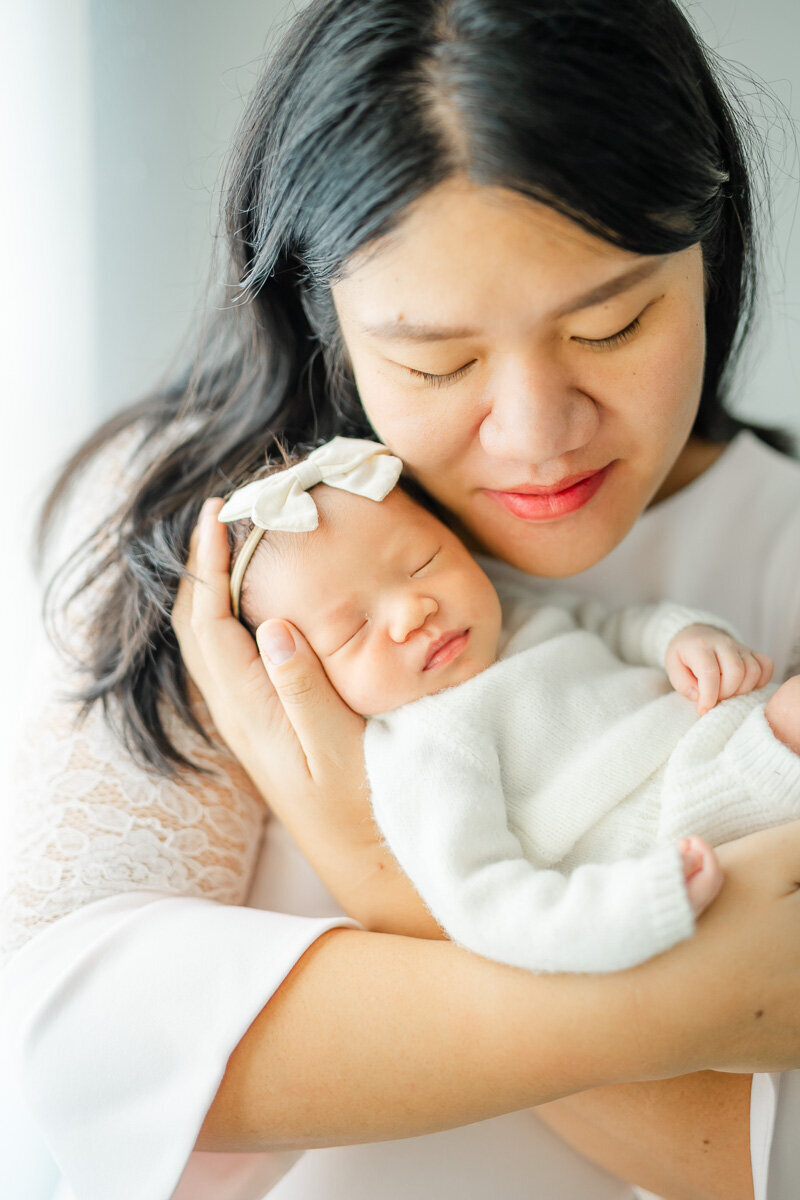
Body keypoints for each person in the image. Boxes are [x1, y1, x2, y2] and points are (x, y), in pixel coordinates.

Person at [2, 2, 800, 1199]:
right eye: (438, 362)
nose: (536, 437)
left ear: (710, 252)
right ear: (325, 318)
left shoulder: (775, 547)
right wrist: (683, 1005)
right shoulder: (224, 545)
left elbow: (753, 1161)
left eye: (613, 323)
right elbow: (68, 1036)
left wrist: (380, 875)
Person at [218, 434, 797, 975]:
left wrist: (683, 638)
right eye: (352, 630)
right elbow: (484, 898)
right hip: (664, 828)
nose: (413, 609)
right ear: (309, 678)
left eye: (424, 562)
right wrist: (632, 906)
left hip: (714, 726)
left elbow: (614, 626)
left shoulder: (507, 614)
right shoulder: (426, 745)